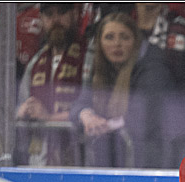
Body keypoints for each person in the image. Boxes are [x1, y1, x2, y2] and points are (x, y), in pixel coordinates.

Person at [70, 11, 171, 167]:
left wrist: (104, 126)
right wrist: (86, 115)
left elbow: (146, 112)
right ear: (100, 43)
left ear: (135, 41)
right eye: (109, 37)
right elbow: (80, 103)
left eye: (124, 37)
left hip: (149, 160)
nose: (117, 44)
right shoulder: (100, 69)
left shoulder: (153, 66)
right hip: (113, 159)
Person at [16, 2, 86, 166]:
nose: (56, 20)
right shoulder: (35, 62)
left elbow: (90, 105)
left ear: (74, 14)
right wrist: (23, 110)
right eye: (49, 14)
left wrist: (48, 118)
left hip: (79, 159)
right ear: (41, 18)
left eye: (61, 12)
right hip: (39, 160)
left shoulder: (88, 55)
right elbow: (19, 105)